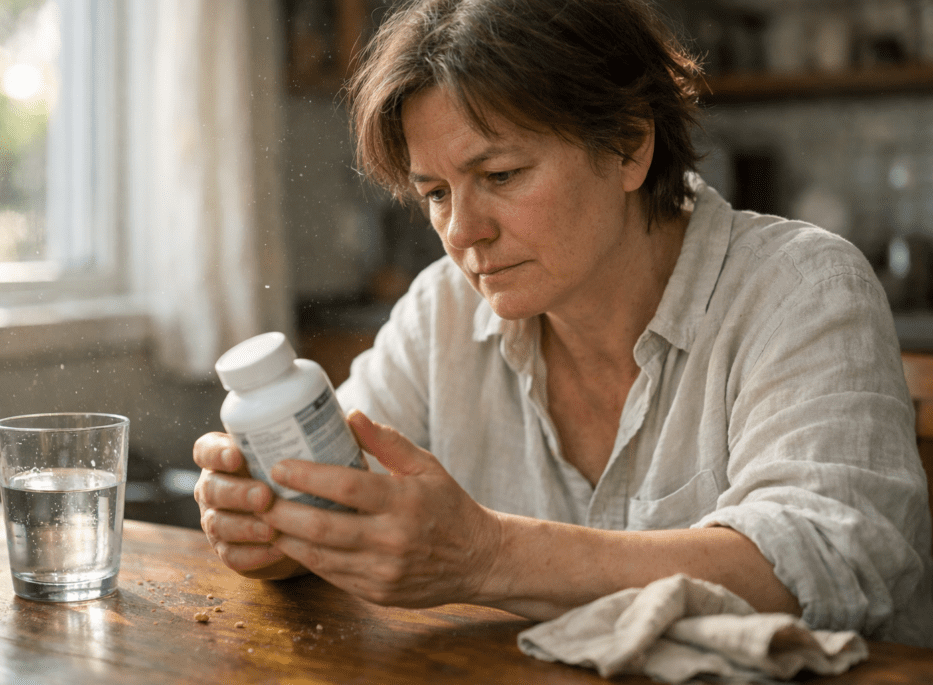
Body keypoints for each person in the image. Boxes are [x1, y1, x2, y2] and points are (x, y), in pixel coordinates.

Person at [193, 0, 933, 646]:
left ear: (629, 147)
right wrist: (273, 523)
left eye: (501, 176)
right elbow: (339, 494)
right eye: (435, 193)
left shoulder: (802, 287)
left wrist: (485, 554)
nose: (463, 231)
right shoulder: (442, 309)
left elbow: (828, 559)